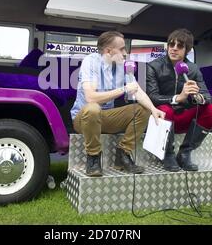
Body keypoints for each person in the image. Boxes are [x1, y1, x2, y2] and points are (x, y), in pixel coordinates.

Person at [71, 31, 166, 177]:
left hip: (105, 117)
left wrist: (153, 109)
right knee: (93, 109)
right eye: (121, 49)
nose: (125, 52)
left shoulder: (122, 65)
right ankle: (94, 157)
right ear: (108, 51)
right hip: (84, 118)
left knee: (143, 109)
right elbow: (91, 97)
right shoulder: (90, 61)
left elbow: (137, 90)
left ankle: (123, 154)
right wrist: (123, 89)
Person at [146, 28, 212, 172]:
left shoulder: (193, 69)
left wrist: (197, 96)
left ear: (187, 50)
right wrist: (178, 98)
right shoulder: (154, 66)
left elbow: (208, 97)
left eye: (179, 46)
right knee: (165, 109)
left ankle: (185, 153)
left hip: (183, 118)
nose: (173, 49)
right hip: (162, 120)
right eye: (171, 44)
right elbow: (152, 97)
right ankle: (167, 154)